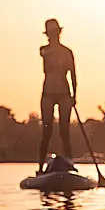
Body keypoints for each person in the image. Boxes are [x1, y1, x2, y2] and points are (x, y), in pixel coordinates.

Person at [37, 18, 77, 173]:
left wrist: (74, 95)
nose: (53, 36)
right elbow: (45, 54)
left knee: (64, 131)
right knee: (46, 132)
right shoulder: (44, 50)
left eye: (55, 32)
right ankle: (40, 168)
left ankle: (70, 165)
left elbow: (73, 74)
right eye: (50, 33)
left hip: (64, 94)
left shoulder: (67, 52)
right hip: (47, 93)